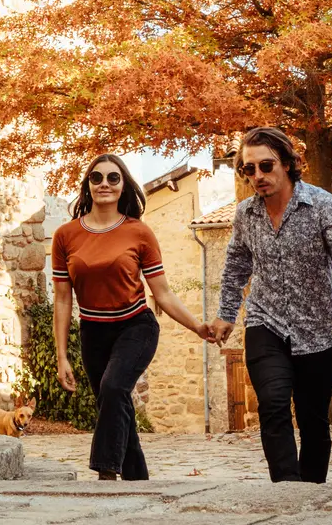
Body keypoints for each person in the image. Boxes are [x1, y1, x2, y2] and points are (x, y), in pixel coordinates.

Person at [208, 126, 332, 483]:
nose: (258, 176)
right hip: (264, 323)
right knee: (273, 404)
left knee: (314, 421)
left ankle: (310, 495)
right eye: (248, 169)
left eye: (265, 166)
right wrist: (225, 315)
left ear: (287, 163)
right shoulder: (246, 215)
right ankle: (286, 490)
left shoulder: (322, 206)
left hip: (317, 330)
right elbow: (236, 266)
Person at [52, 153, 214, 480]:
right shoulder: (66, 235)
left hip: (135, 326)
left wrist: (197, 326)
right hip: (93, 332)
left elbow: (163, 293)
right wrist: (61, 356)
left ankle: (106, 473)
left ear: (123, 185)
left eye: (113, 178)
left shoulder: (138, 233)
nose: (104, 184)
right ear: (87, 186)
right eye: (96, 178)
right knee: (116, 404)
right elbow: (62, 298)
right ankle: (138, 481)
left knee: (113, 389)